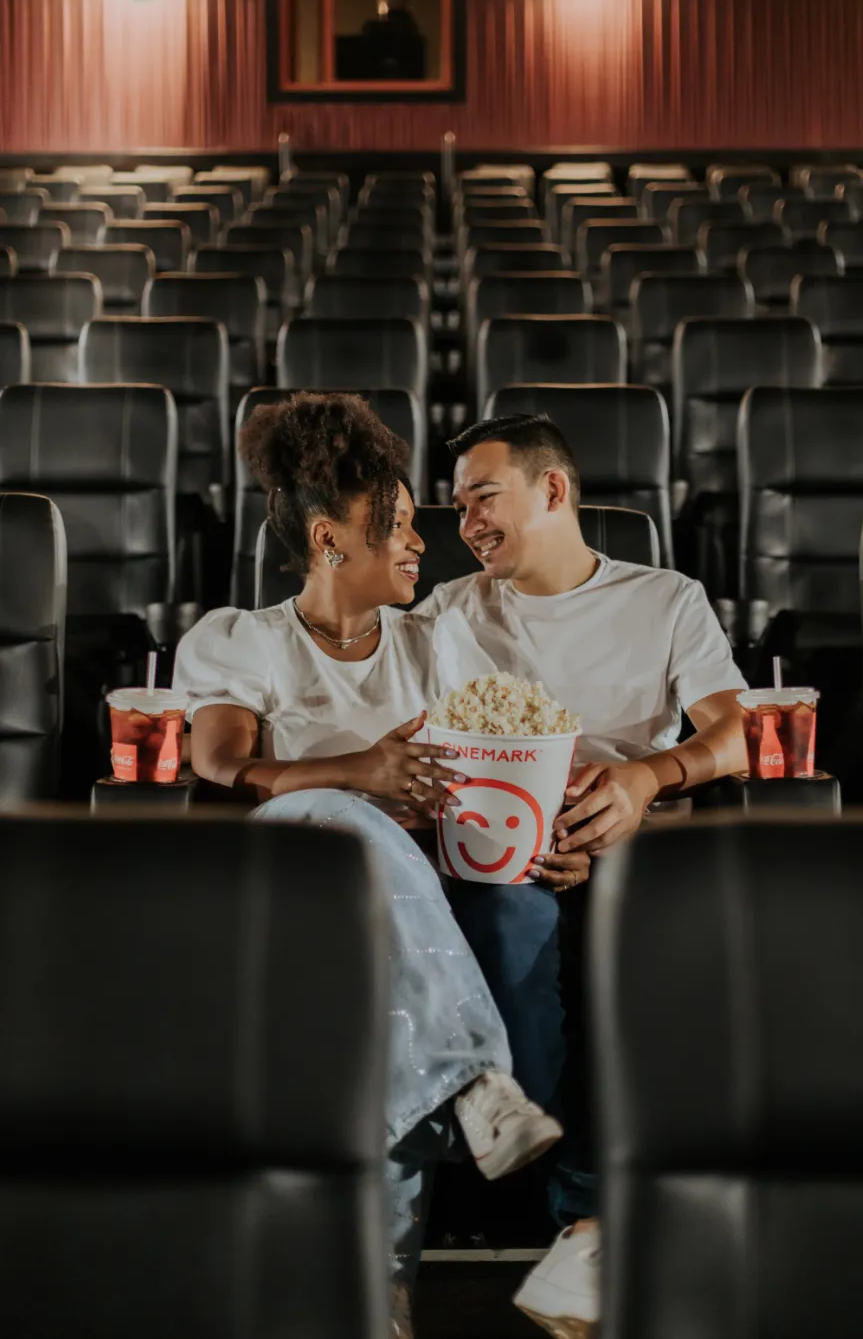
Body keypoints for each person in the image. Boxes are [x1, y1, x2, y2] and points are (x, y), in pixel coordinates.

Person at [172, 394, 562, 1338]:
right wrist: (362, 772)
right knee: (338, 812)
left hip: (409, 901)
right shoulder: (244, 639)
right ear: (326, 538)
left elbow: (490, 751)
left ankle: (384, 1290)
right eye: (392, 522)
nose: (420, 541)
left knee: (393, 1018)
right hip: (292, 886)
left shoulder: (437, 642)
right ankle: (477, 1082)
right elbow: (225, 766)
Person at [415, 412, 749, 1338]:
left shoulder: (665, 598)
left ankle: (593, 1221)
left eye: (485, 496)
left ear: (553, 490)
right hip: (501, 857)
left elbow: (730, 734)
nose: (468, 522)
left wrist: (646, 776)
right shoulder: (449, 611)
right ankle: (577, 1211)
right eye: (458, 506)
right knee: (507, 919)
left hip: (631, 843)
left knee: (632, 933)